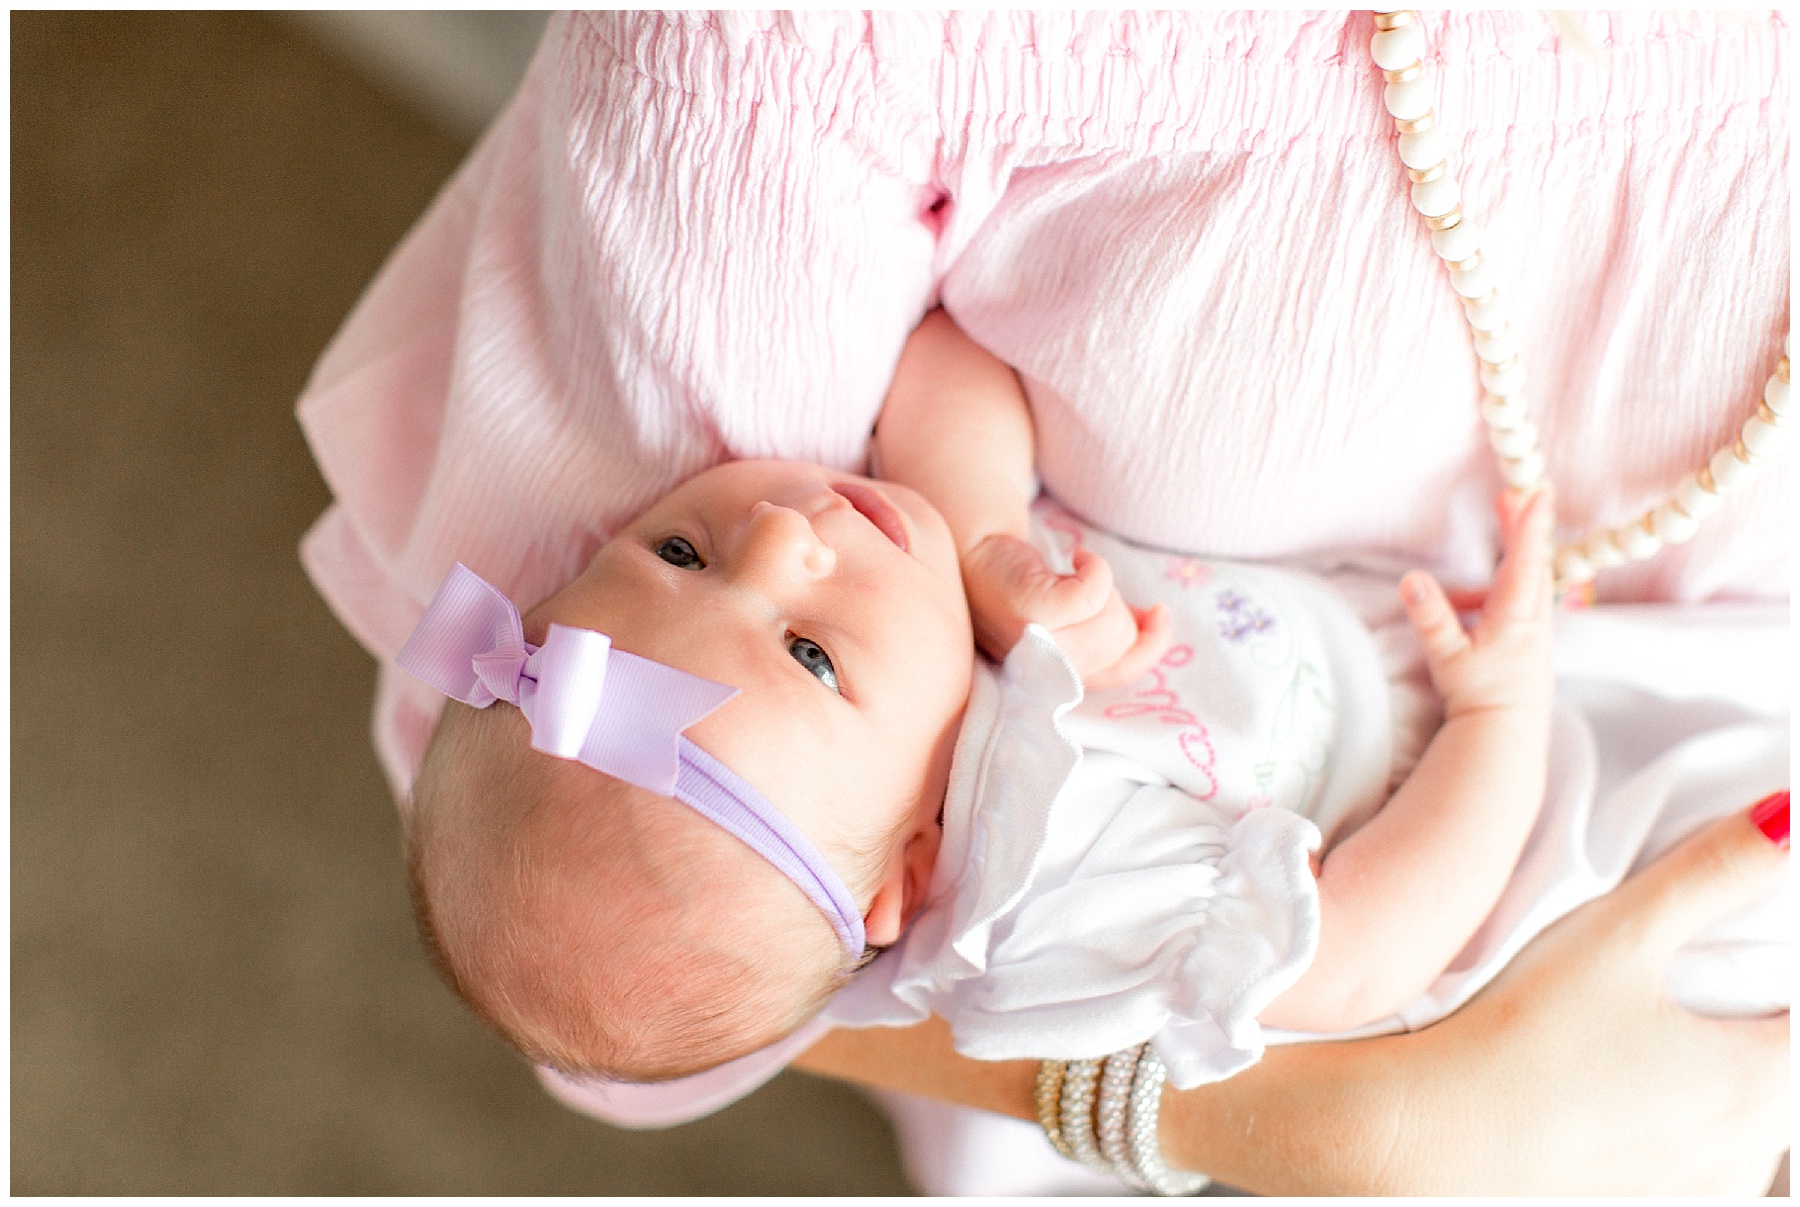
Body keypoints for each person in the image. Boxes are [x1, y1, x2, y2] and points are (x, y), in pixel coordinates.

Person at [296, 11, 1789, 1194]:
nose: (787, 533)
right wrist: (1505, 718)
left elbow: (950, 370)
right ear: (905, 878)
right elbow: (1362, 957)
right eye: (811, 651)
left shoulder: (929, 586)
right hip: (1489, 831)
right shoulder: (1061, 893)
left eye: (678, 557)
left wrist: (989, 543)